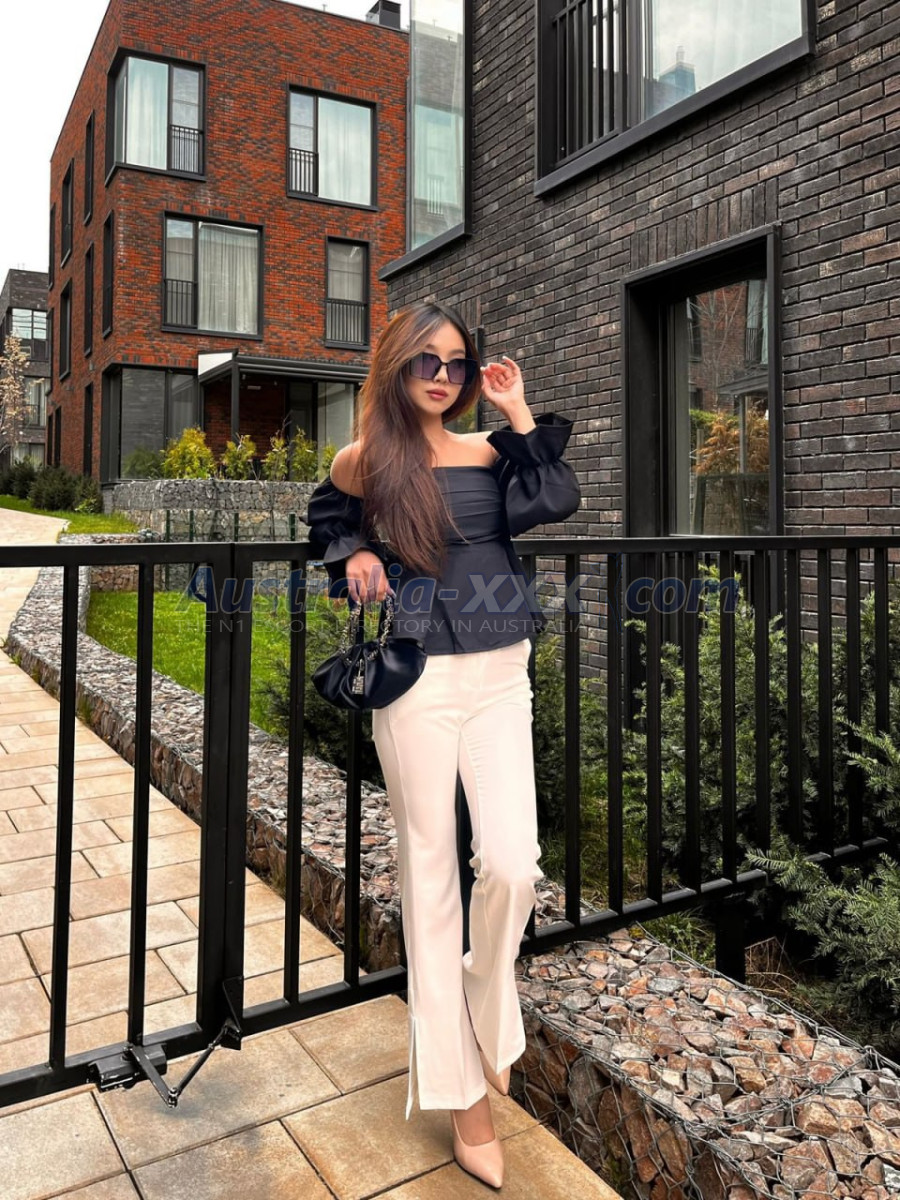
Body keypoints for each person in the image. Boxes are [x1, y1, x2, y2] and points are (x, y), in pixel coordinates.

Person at [304, 299, 581, 1189]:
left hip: (501, 671)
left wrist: (518, 411)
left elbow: (556, 498)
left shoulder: (492, 453)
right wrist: (353, 551)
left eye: (457, 362)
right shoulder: (365, 460)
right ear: (397, 366)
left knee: (513, 866)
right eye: (427, 360)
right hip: (417, 678)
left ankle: (480, 996)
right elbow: (327, 514)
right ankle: (465, 1099)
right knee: (431, 877)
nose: (443, 376)